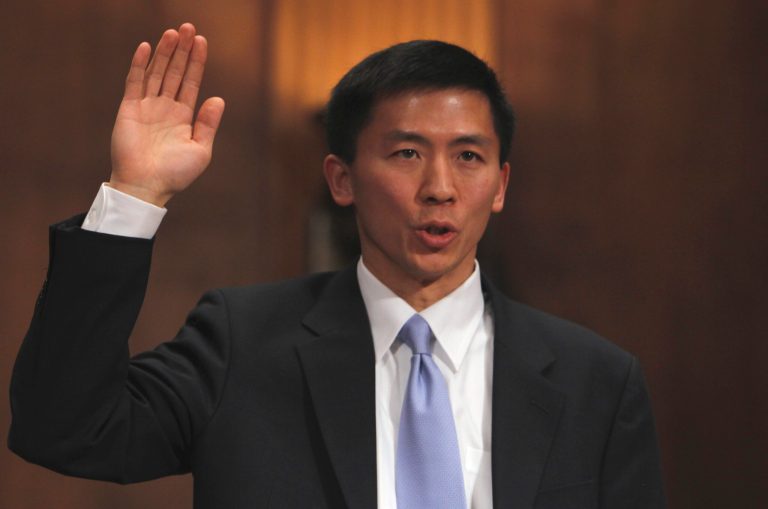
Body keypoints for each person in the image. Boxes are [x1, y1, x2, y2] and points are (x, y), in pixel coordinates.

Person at [8, 23, 666, 509]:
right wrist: (134, 194)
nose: (440, 186)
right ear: (342, 179)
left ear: (499, 184)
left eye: (468, 157)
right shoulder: (241, 341)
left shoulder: (597, 382)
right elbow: (63, 428)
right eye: (407, 153)